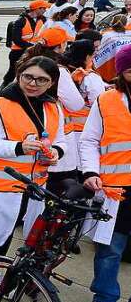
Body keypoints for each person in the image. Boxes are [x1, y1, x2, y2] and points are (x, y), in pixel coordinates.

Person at [0, 55, 66, 260]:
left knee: (8, 240)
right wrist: (18, 148)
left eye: (41, 80)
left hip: (32, 189)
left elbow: (61, 140)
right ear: (18, 75)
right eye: (28, 77)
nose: (33, 84)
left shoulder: (53, 108)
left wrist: (56, 153)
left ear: (52, 82)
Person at [82, 45, 131, 302]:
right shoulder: (106, 100)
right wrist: (91, 170)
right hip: (117, 189)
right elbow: (89, 140)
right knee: (111, 248)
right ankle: (103, 300)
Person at [50, 40, 106, 193]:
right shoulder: (90, 77)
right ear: (89, 55)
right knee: (82, 170)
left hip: (69, 130)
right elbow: (100, 102)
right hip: (82, 132)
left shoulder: (69, 72)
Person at [3, 0, 47, 87]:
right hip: (18, 52)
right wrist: (31, 46)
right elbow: (16, 40)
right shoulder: (21, 21)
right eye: (44, 8)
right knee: (13, 73)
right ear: (37, 9)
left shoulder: (43, 19)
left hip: (34, 52)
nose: (45, 10)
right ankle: (5, 89)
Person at [95, 15, 131, 82]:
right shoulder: (129, 32)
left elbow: (99, 49)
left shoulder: (105, 34)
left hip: (112, 65)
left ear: (112, 22)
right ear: (126, 23)